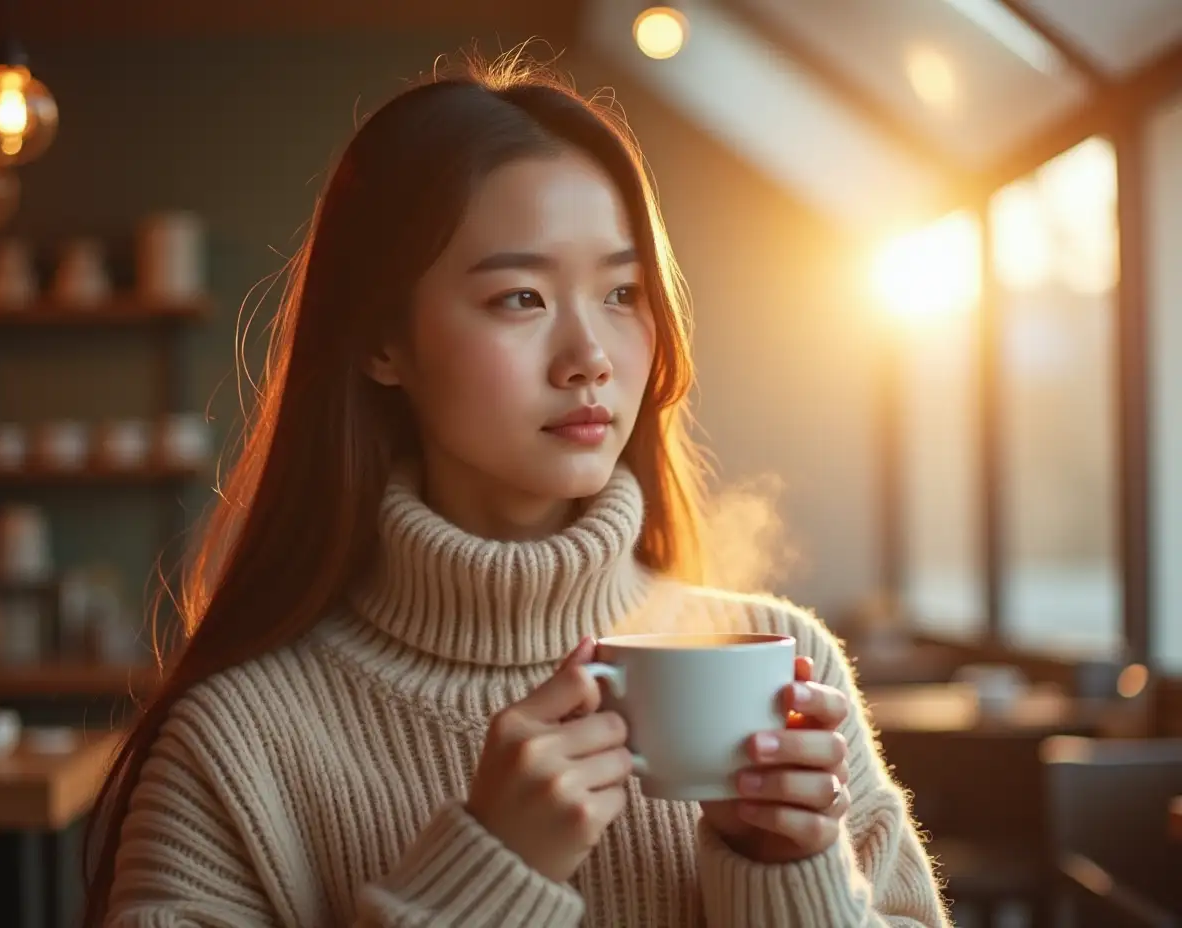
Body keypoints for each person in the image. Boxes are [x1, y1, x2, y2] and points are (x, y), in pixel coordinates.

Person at [84, 53, 951, 928]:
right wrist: (485, 873)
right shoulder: (239, 744)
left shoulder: (778, 660)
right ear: (383, 342)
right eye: (521, 298)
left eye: (622, 291)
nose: (591, 357)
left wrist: (793, 880)